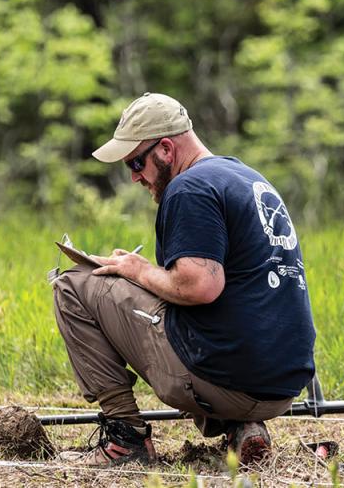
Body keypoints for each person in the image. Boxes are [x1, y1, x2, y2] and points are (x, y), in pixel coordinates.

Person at [49, 92, 316, 466]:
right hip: (281, 386)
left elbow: (200, 286)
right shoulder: (247, 178)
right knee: (199, 316)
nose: (134, 176)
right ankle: (243, 428)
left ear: (167, 149)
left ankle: (125, 440)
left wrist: (139, 270)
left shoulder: (189, 188)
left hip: (226, 380)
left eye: (137, 161)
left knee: (72, 285)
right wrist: (141, 272)